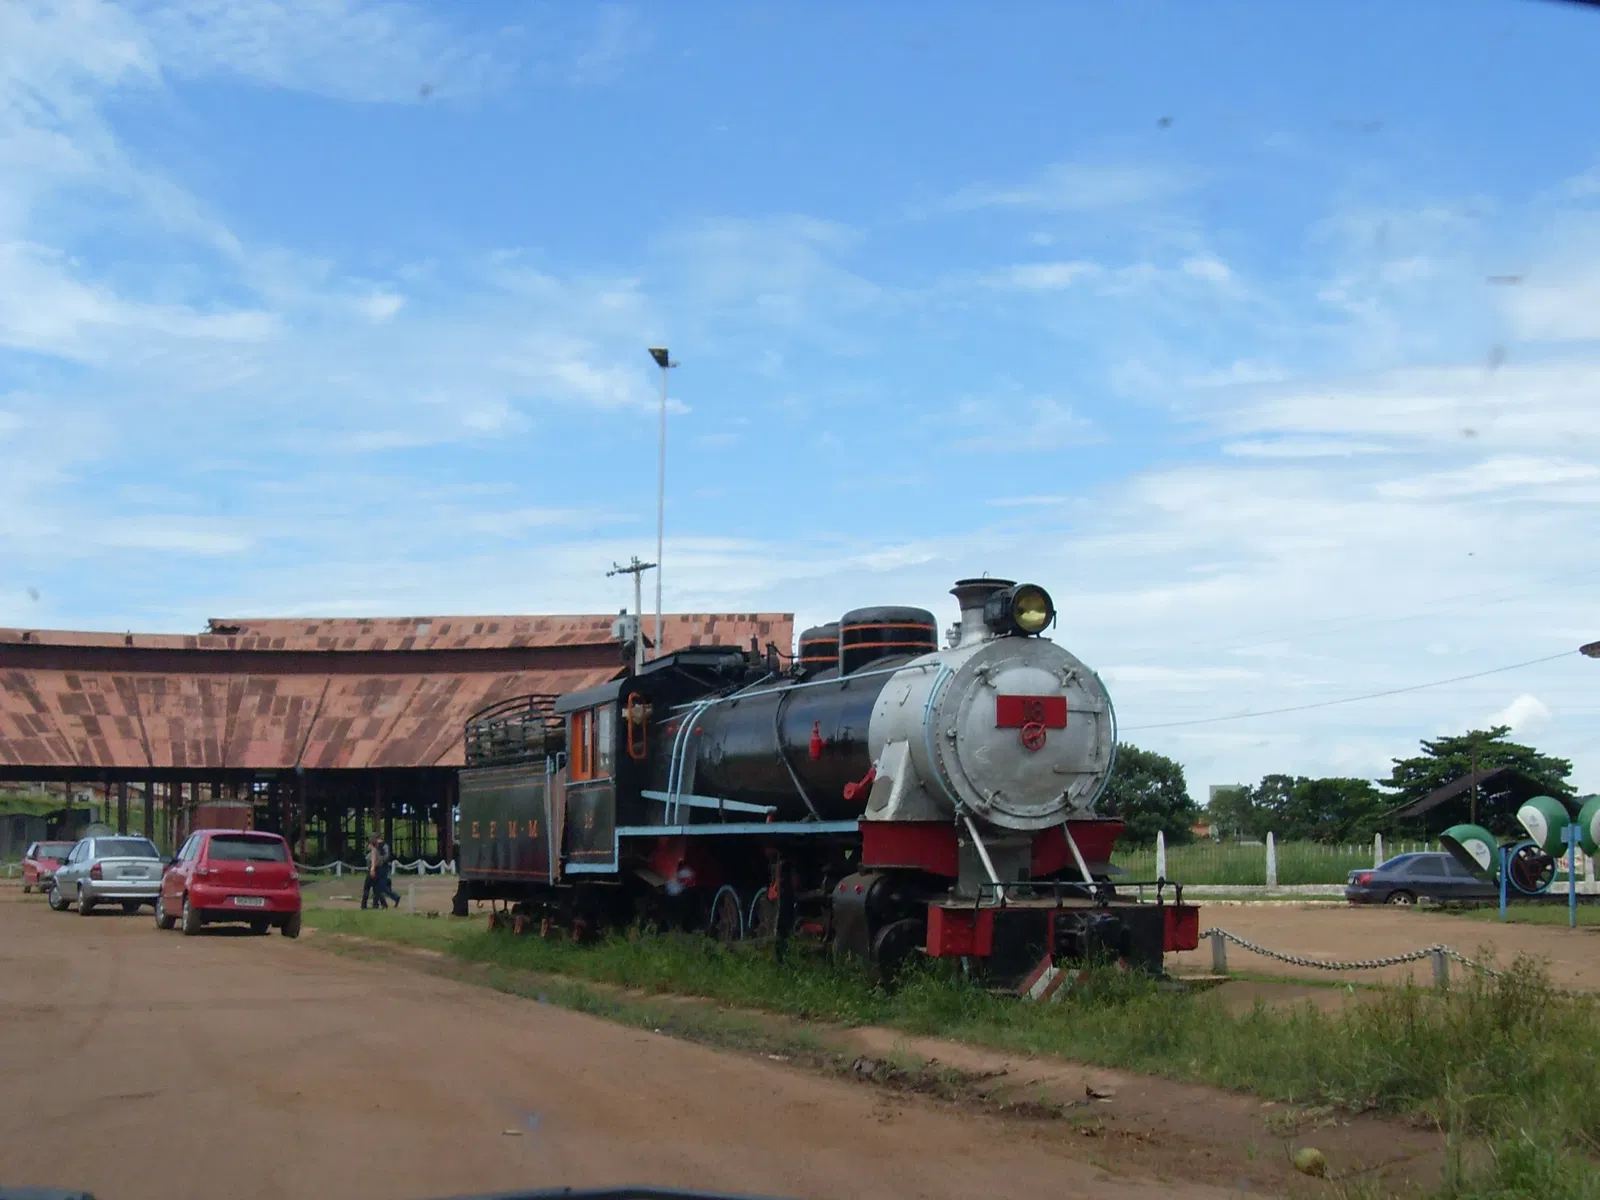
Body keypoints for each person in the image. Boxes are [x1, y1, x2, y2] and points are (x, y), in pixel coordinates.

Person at [362, 834, 387, 909]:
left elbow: (373, 860)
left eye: (368, 844)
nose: (367, 846)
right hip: (377, 870)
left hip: (373, 870)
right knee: (376, 888)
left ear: (370, 844)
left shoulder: (373, 851)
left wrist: (372, 869)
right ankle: (381, 904)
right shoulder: (377, 851)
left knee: (367, 888)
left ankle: (364, 905)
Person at [377, 837, 401, 907]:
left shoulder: (384, 847)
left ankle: (395, 897)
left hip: (383, 868)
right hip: (381, 868)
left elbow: (385, 857)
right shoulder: (381, 847)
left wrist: (379, 860)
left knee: (381, 887)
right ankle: (381, 903)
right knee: (380, 887)